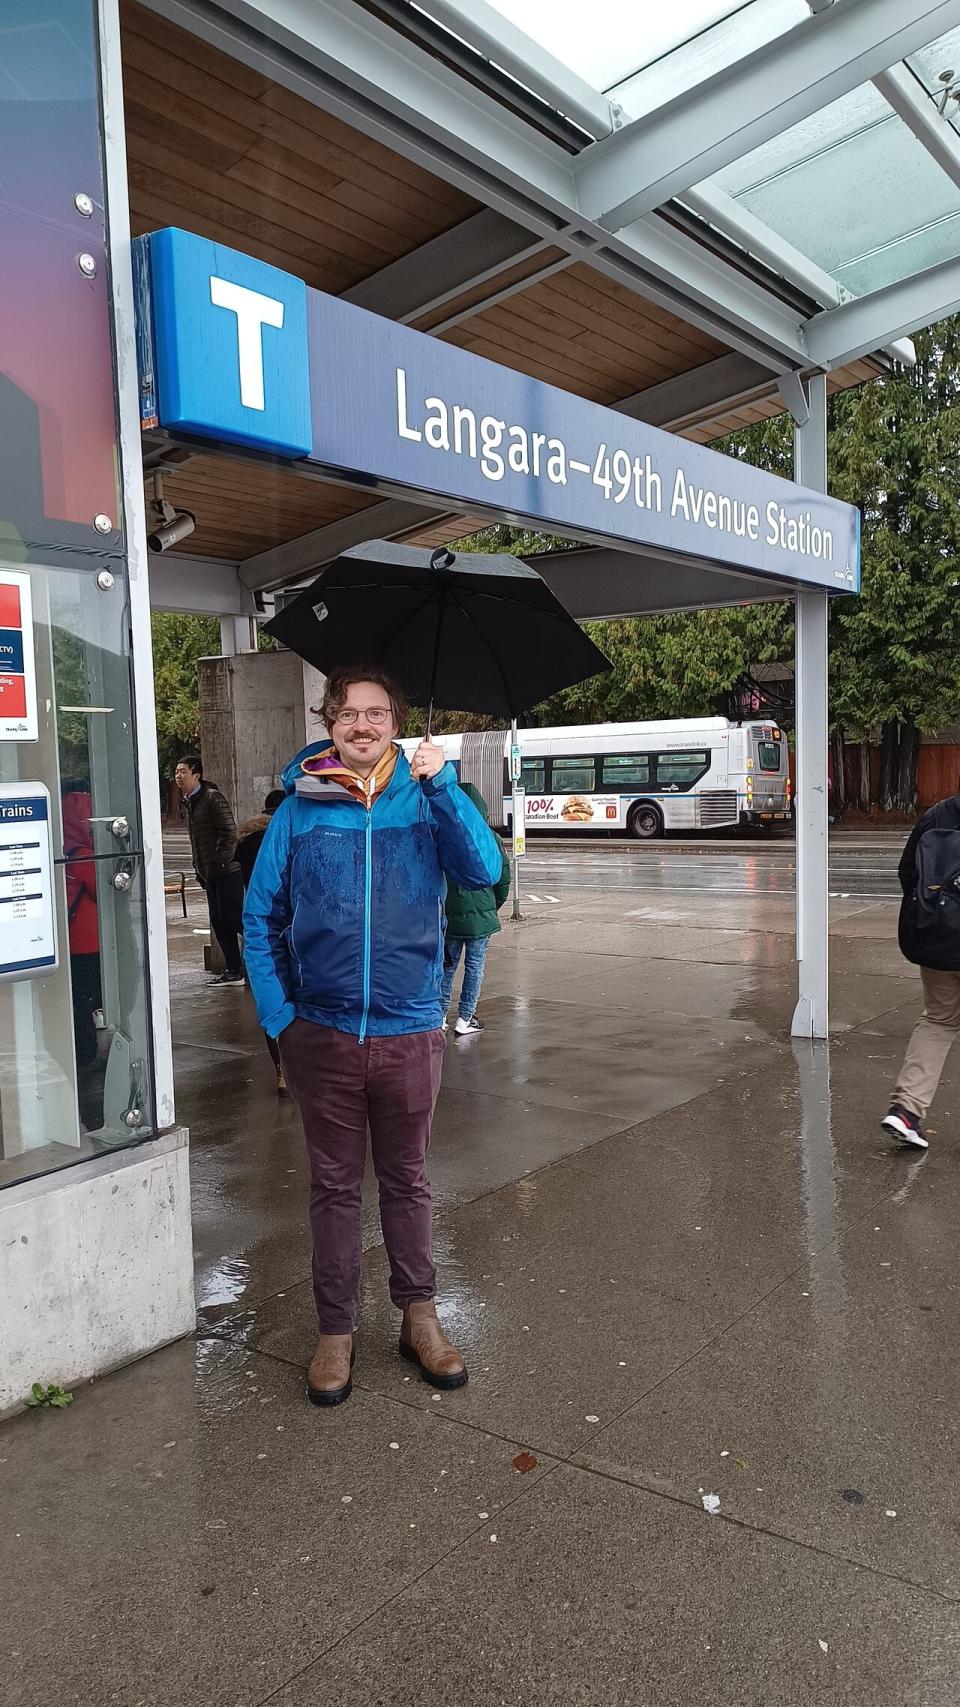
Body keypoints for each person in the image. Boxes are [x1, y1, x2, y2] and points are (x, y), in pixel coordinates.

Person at [243, 666, 502, 1408]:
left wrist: (444, 785)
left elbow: (484, 870)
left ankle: (419, 1315)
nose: (362, 725)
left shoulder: (426, 797)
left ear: (395, 722)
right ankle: (335, 1329)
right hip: (319, 1034)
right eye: (348, 713)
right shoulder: (299, 807)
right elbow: (259, 919)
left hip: (409, 1030)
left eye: (377, 713)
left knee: (408, 1181)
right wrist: (280, 1021)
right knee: (331, 1185)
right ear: (329, 721)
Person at [883, 783, 960, 1150]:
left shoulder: (939, 815)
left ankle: (907, 1111)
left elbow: (908, 873)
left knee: (939, 1020)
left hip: (939, 943)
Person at [440, 781, 511, 1035]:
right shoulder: (490, 838)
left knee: (446, 967)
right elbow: (502, 880)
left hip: (450, 918)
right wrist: (491, 907)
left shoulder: (441, 837)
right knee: (475, 968)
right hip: (481, 919)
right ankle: (465, 1018)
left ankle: (439, 1017)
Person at [174, 754, 244, 984]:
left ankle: (268, 962)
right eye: (176, 772)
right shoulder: (188, 802)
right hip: (209, 873)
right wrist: (200, 868)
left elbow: (229, 832)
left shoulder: (212, 798)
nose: (178, 776)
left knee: (234, 920)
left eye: (183, 771)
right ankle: (233, 970)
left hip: (226, 871)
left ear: (197, 774)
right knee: (219, 922)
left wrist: (220, 861)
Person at [236, 788, 288, 1095]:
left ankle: (281, 1071)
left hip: (262, 930)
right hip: (291, 932)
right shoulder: (290, 835)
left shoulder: (246, 842)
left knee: (272, 1005)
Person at [62, 782, 102, 1071]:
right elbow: (101, 890)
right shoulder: (83, 854)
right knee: (87, 997)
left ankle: (83, 1049)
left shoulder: (62, 848)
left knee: (78, 997)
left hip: (71, 938)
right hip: (89, 941)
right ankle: (87, 1053)